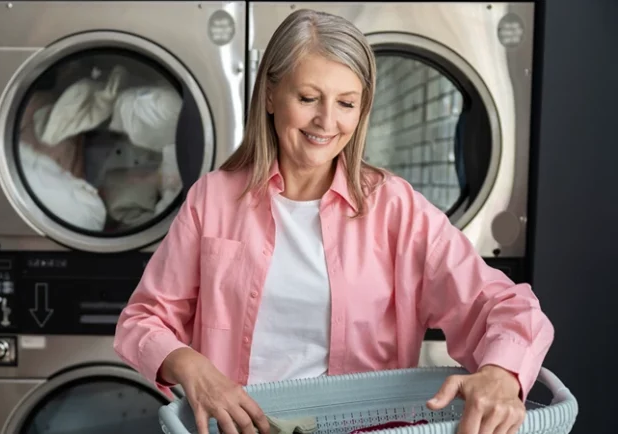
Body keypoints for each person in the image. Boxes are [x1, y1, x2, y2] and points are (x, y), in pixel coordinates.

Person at [114, 9, 553, 434]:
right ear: (269, 95)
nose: (327, 121)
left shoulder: (394, 209)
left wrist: (501, 373)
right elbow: (143, 320)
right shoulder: (213, 199)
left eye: (346, 103)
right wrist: (195, 368)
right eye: (308, 98)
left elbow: (503, 305)